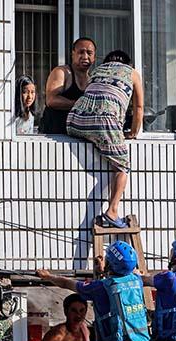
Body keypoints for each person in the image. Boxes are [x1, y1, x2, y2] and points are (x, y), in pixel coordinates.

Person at [66, 50, 144, 228]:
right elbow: (139, 107)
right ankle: (113, 211)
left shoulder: (97, 71)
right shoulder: (131, 73)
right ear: (128, 64)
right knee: (122, 166)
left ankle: (100, 140)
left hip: (74, 120)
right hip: (104, 121)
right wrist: (132, 133)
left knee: (101, 140)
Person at [40, 37, 97, 135]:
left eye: (89, 53)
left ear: (94, 58)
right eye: (81, 52)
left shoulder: (93, 80)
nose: (85, 56)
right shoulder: (62, 72)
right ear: (73, 54)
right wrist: (81, 105)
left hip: (77, 138)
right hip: (52, 136)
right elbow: (51, 100)